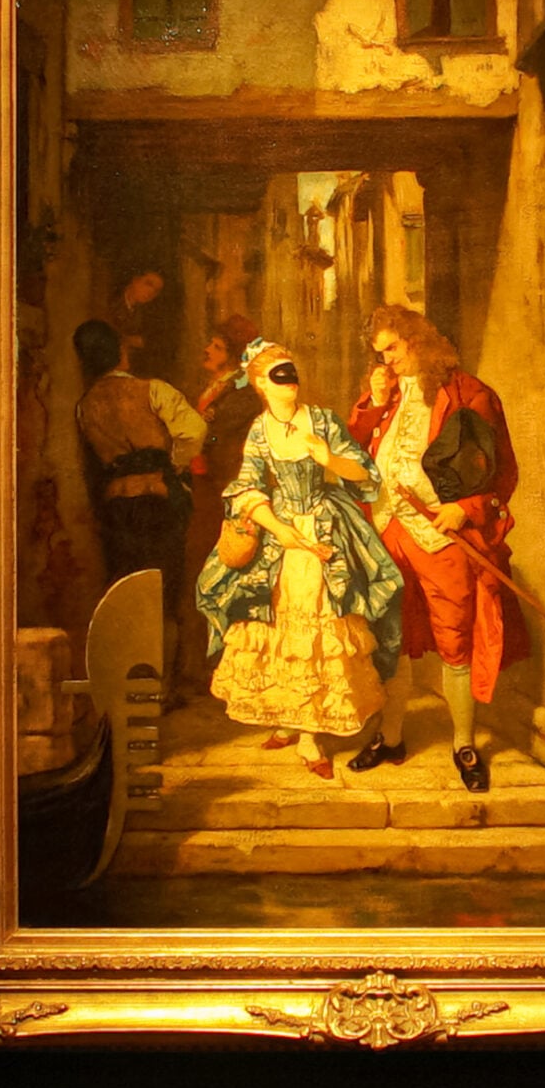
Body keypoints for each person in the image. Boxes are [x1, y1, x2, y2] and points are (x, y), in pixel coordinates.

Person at [194, 341, 403, 780]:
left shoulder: (322, 420)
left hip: (325, 527)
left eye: (292, 373)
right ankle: (290, 718)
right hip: (280, 533)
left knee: (319, 625)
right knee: (275, 624)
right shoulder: (259, 429)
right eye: (279, 376)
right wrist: (277, 527)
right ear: (261, 384)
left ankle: (310, 735)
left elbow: (366, 475)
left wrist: (330, 459)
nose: (290, 383)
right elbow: (246, 485)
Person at [346, 303, 529, 792]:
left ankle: (463, 743)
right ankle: (390, 736)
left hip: (439, 535)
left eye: (393, 348)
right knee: (392, 638)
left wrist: (466, 509)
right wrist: (372, 403)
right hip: (387, 531)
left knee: (455, 640)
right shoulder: (385, 394)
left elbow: (501, 470)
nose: (386, 360)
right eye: (379, 352)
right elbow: (351, 451)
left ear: (418, 340)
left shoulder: (469, 394)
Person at [72, 317, 205, 684]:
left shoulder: (85, 405)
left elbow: (92, 463)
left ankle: (132, 683)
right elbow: (194, 431)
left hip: (117, 507)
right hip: (157, 499)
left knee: (127, 590)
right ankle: (161, 686)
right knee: (164, 591)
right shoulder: (153, 390)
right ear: (119, 353)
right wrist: (174, 463)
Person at [179, 314, 265, 705]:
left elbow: (216, 437)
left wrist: (201, 431)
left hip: (223, 491)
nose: (206, 351)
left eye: (214, 347)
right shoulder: (214, 387)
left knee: (224, 573)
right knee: (200, 574)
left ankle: (224, 668)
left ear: (231, 355)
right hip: (204, 488)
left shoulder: (242, 393)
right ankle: (201, 667)